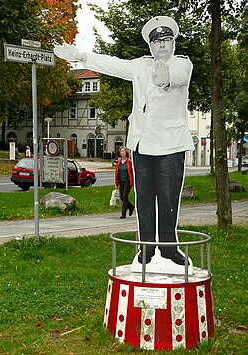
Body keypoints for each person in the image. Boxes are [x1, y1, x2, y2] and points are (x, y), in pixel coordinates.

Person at [54, 15, 194, 266]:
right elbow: (112, 64)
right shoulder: (140, 66)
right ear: (150, 46)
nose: (162, 45)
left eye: (167, 40)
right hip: (142, 144)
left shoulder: (182, 64)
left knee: (168, 198)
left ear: (173, 44)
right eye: (157, 41)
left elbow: (176, 77)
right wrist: (80, 56)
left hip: (171, 145)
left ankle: (170, 247)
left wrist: (164, 79)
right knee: (144, 198)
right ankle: (147, 247)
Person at [115, 146, 134, 219]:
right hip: (121, 181)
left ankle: (123, 214)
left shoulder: (129, 162)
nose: (122, 152)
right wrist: (116, 183)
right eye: (121, 151)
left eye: (123, 151)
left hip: (127, 181)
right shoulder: (119, 162)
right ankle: (131, 207)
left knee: (125, 196)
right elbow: (117, 173)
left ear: (126, 152)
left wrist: (132, 184)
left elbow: (132, 173)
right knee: (121, 197)